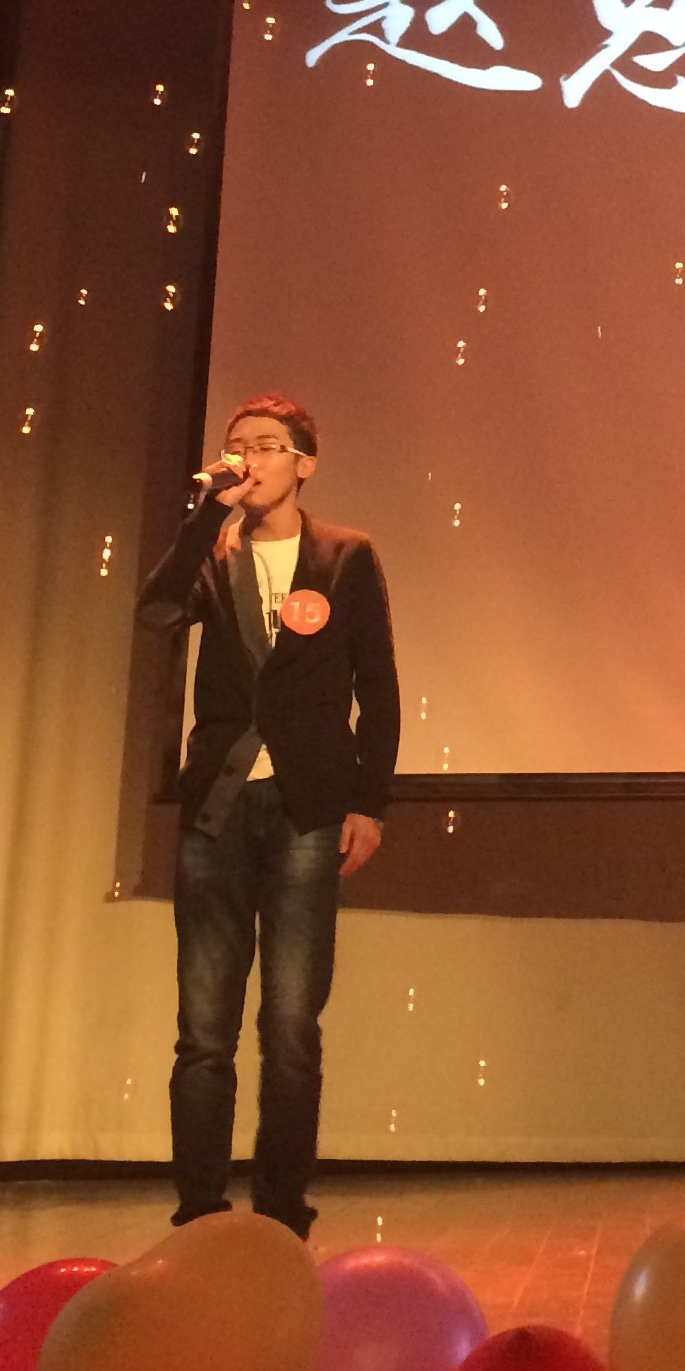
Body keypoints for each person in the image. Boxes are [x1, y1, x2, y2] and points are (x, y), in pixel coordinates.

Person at [138, 392, 397, 1234]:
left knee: (290, 1025)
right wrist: (201, 517)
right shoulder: (213, 551)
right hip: (217, 807)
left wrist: (368, 802)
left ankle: (283, 1211)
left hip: (307, 809)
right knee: (203, 1028)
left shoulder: (345, 555)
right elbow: (156, 610)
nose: (248, 458)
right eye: (236, 446)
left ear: (303, 463)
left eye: (266, 445)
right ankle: (200, 1212)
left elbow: (378, 686)